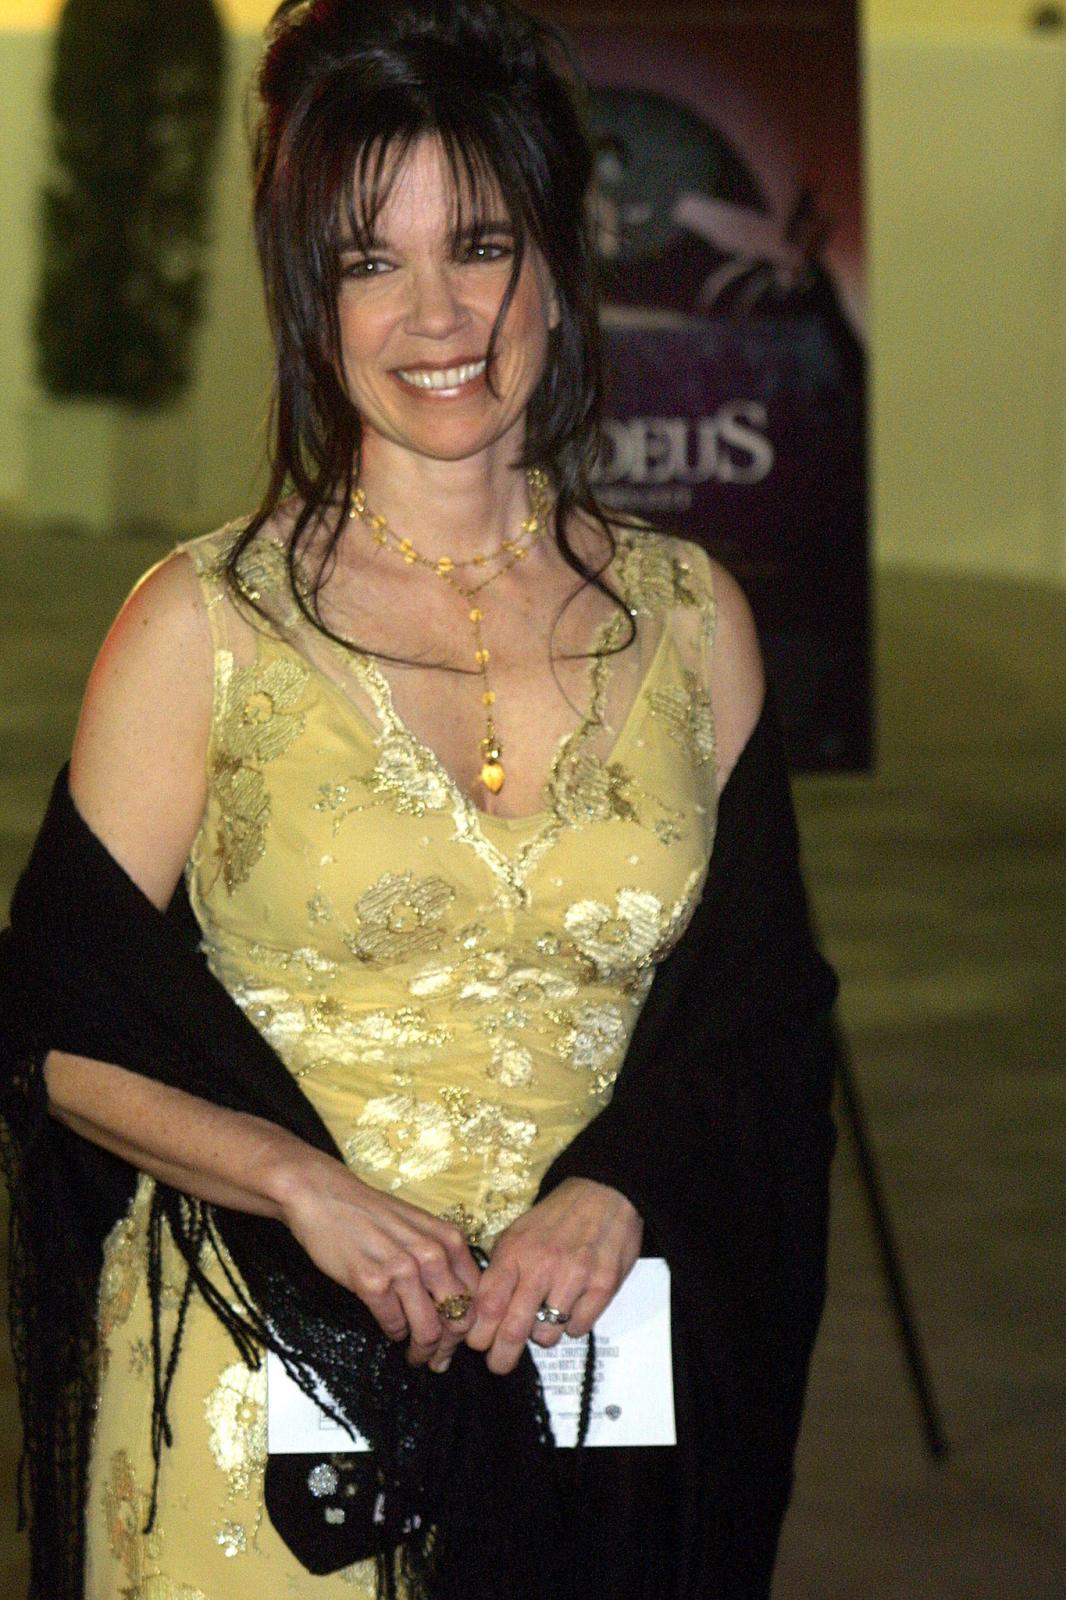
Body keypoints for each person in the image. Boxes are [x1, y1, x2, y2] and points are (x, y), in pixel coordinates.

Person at [0, 4, 839, 1598]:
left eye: (479, 245)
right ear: (307, 302)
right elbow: (50, 1026)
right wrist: (296, 1184)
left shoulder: (690, 620)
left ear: (555, 268)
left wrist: (621, 1182)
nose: (434, 313)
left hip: (585, 1378)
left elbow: (762, 1020)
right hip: (256, 1386)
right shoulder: (200, 626)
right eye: (367, 262)